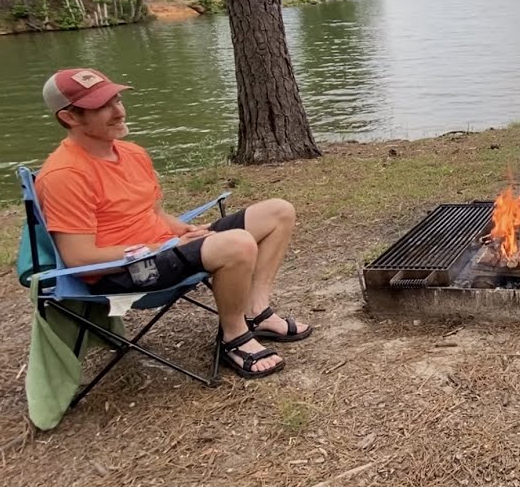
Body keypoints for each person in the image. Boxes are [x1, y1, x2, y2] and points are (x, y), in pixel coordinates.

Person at [35, 68, 312, 378]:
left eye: (116, 99)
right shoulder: (64, 175)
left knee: (278, 212)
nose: (118, 111)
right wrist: (164, 246)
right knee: (238, 243)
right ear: (70, 118)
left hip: (167, 249)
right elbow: (80, 257)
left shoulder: (131, 153)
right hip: (127, 271)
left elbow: (153, 214)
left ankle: (256, 312)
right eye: (102, 106)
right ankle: (233, 338)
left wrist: (182, 230)